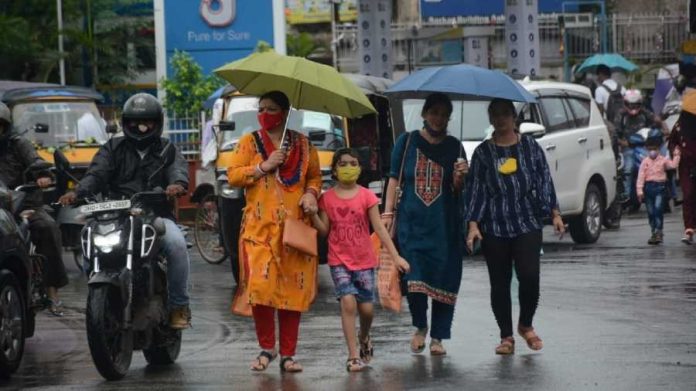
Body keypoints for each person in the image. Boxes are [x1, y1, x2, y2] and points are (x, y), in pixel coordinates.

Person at [58, 93, 192, 329]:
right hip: (116, 214)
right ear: (125, 122)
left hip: (155, 213)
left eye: (148, 122)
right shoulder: (112, 148)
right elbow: (96, 175)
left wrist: (176, 185)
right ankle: (99, 298)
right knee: (90, 239)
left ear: (157, 122)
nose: (141, 127)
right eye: (134, 122)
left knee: (177, 244)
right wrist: (77, 193)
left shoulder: (168, 149)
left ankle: (179, 305)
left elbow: (178, 171)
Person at [227, 90, 321, 373]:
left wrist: (312, 194)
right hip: (258, 231)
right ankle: (267, 347)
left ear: (284, 111)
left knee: (292, 291)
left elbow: (314, 176)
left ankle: (288, 354)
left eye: (271, 109)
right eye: (261, 108)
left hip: (294, 229)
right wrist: (262, 166)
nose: (264, 114)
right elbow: (233, 175)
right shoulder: (249, 142)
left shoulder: (303, 145)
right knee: (260, 289)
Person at [465, 98, 565, 355]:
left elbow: (544, 178)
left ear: (513, 117)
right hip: (494, 225)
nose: (500, 119)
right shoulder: (483, 153)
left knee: (529, 276)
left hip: (526, 221)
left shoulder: (530, 147)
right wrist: (474, 224)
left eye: (505, 114)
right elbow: (476, 190)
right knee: (499, 282)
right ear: (490, 119)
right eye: (495, 115)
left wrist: (555, 213)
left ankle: (526, 324)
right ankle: (506, 336)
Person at [382, 93, 468, 356]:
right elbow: (395, 179)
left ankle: (439, 337)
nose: (438, 119)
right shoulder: (406, 142)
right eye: (434, 113)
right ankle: (420, 326)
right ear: (424, 114)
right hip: (412, 224)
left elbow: (458, 191)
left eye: (444, 115)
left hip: (444, 227)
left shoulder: (455, 147)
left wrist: (460, 177)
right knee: (414, 276)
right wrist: (387, 215)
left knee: (444, 279)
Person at [310, 148, 409, 372]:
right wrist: (313, 214)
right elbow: (324, 230)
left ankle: (364, 336)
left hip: (364, 260)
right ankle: (353, 356)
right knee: (347, 303)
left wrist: (396, 256)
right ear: (334, 170)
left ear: (359, 168)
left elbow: (380, 230)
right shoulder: (327, 198)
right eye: (343, 164)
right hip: (338, 260)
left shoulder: (366, 196)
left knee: (367, 310)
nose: (348, 168)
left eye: (353, 163)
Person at [0, 102, 68, 316]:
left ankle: (52, 289)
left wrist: (42, 176)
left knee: (47, 227)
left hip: (22, 205)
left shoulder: (19, 145)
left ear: (6, 127)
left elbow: (36, 162)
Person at [615, 89, 664, 206]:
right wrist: (622, 142)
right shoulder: (621, 116)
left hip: (645, 146)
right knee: (628, 168)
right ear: (625, 103)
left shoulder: (645, 113)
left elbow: (657, 121)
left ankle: (665, 194)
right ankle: (626, 195)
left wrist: (663, 127)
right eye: (630, 104)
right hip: (628, 148)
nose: (633, 107)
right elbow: (614, 134)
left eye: (636, 104)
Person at [637, 135, 680, 245]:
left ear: (659, 149)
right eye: (650, 149)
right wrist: (640, 191)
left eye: (655, 149)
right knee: (651, 212)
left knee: (658, 209)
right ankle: (653, 232)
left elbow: (673, 165)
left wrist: (676, 155)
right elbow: (641, 177)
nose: (652, 151)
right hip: (648, 188)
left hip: (660, 187)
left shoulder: (663, 160)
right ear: (647, 149)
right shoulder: (645, 162)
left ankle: (659, 231)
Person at [669, 91, 696, 244]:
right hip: (686, 166)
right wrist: (675, 150)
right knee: (688, 195)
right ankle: (689, 229)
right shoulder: (680, 126)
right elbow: (672, 141)